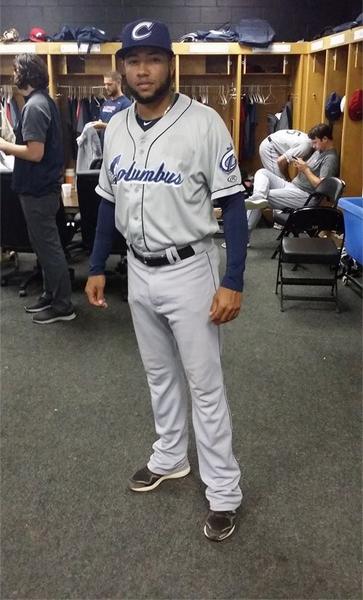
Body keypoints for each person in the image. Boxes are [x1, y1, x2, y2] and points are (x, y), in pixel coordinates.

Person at [85, 19, 249, 542]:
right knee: (159, 376)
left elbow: (235, 206)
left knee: (205, 385)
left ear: (169, 64)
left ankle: (224, 491)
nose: (142, 70)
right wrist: (94, 266)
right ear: (122, 69)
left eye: (152, 58)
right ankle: (170, 456)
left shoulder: (205, 124)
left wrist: (234, 279)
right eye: (133, 61)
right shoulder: (114, 127)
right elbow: (108, 205)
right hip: (137, 269)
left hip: (191, 269)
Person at [0, 54, 76, 324]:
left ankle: (63, 306)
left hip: (38, 190)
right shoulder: (41, 101)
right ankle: (50, 294)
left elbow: (34, 153)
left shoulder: (34, 106)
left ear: (27, 74)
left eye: (16, 69)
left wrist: (3, 144)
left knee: (49, 248)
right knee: (43, 246)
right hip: (40, 188)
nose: (13, 74)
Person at [245, 123, 339, 213]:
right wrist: (302, 165)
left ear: (325, 139)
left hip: (305, 195)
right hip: (293, 187)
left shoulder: (330, 158)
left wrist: (305, 169)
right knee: (262, 173)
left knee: (265, 196)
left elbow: (322, 186)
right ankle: (258, 197)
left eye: (315, 142)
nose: (313, 146)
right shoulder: (319, 151)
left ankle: (246, 225)